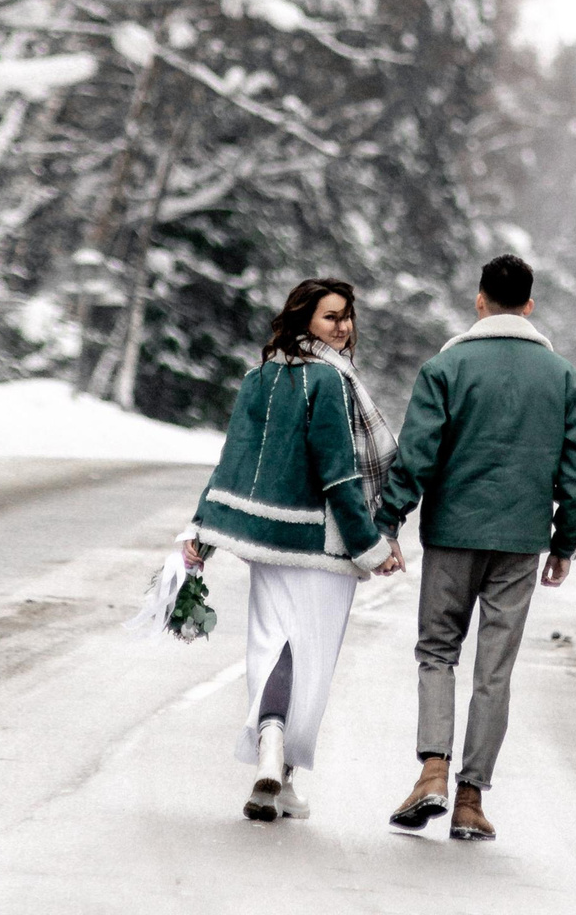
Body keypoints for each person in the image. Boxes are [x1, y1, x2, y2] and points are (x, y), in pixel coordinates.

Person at [378, 254, 576, 842]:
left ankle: (432, 771)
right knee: (494, 669)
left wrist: (388, 519)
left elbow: (417, 452)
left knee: (437, 651)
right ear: (529, 306)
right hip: (522, 543)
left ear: (480, 301)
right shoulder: (565, 379)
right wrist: (565, 540)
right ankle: (471, 800)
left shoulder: (447, 368)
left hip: (452, 533)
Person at [179, 278, 404, 823]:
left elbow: (233, 463)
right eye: (331, 317)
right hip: (322, 547)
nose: (344, 327)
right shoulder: (329, 379)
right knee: (309, 660)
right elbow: (339, 475)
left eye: (347, 316)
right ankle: (280, 764)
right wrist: (371, 547)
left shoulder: (259, 377)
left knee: (271, 648)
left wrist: (203, 528)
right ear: (305, 320)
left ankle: (270, 764)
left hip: (268, 544)